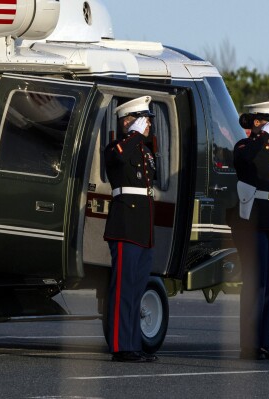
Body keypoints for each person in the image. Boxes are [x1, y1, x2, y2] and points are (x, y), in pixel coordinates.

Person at [103, 96, 158, 363]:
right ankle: (119, 346)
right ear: (128, 120)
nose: (148, 125)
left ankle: (133, 344)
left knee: (136, 290)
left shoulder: (144, 151)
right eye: (143, 119)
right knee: (123, 289)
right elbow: (120, 162)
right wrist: (134, 133)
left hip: (142, 228)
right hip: (125, 225)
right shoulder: (117, 147)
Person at [231, 100, 269, 360]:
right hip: (252, 219)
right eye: (268, 120)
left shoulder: (268, 148)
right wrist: (262, 135)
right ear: (256, 123)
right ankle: (248, 345)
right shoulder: (245, 145)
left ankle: (262, 342)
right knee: (255, 283)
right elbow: (244, 158)